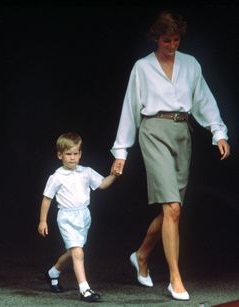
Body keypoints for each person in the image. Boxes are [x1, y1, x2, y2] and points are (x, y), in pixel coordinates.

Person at [110, 10, 231, 301]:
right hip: (153, 131)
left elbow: (203, 98)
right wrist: (121, 151)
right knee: (173, 208)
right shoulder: (142, 67)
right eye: (167, 40)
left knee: (172, 211)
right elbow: (130, 107)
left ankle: (141, 255)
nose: (172, 45)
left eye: (177, 40)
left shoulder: (191, 64)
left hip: (182, 132)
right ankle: (175, 278)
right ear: (156, 38)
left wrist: (218, 132)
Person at [38, 132, 116, 303]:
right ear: (60, 155)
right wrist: (43, 220)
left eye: (75, 153)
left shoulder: (86, 172)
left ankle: (53, 273)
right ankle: (84, 289)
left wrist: (114, 175)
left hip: (84, 216)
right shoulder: (56, 177)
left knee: (73, 251)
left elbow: (102, 184)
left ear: (80, 154)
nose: (72, 158)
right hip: (66, 217)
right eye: (68, 154)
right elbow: (47, 199)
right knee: (78, 252)